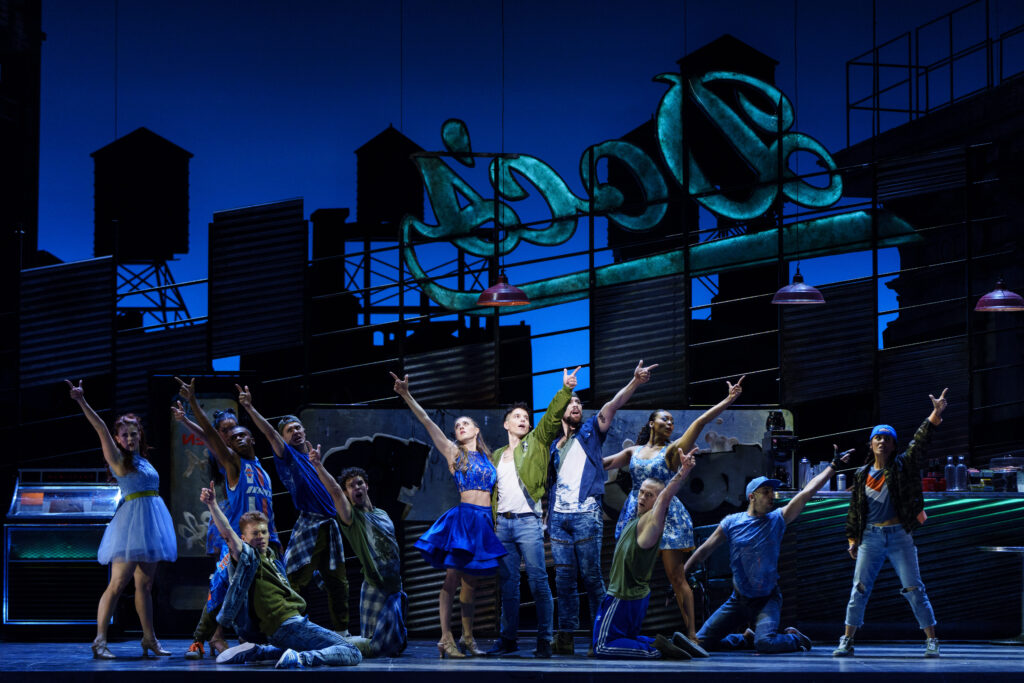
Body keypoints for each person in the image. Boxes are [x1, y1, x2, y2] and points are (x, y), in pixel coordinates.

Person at [603, 376, 744, 642]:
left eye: (671, 421)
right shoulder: (633, 452)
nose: (669, 423)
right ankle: (621, 631)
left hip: (666, 515)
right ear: (651, 423)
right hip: (635, 514)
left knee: (676, 577)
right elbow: (602, 463)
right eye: (664, 419)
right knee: (627, 577)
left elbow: (699, 423)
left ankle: (692, 636)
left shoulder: (672, 451)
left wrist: (729, 399)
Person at [390, 372, 507, 658]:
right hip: (464, 520)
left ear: (477, 430)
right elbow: (428, 423)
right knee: (452, 579)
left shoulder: (490, 459)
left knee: (472, 585)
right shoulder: (454, 453)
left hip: (483, 522)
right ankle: (446, 637)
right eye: (457, 426)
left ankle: (468, 638)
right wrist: (406, 395)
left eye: (466, 423)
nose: (461, 427)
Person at [683, 457, 848, 654]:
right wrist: (681, 576)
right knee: (698, 643)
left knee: (765, 644)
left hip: (767, 599)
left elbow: (806, 493)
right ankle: (744, 638)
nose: (772, 496)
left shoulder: (777, 519)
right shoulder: (731, 523)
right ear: (752, 496)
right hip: (738, 600)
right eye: (766, 492)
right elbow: (704, 551)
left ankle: (795, 639)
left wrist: (832, 467)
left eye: (772, 492)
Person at [549, 360, 658, 655]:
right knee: (564, 579)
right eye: (570, 403)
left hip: (586, 514)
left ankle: (602, 635)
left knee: (592, 576)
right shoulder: (553, 444)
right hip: (559, 518)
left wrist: (634, 382)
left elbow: (612, 405)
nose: (575, 406)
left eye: (578, 403)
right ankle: (566, 636)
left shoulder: (590, 432)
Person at [832, 389, 948, 659]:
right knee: (858, 589)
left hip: (899, 536)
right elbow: (854, 511)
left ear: (894, 445)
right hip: (870, 537)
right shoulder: (861, 475)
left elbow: (919, 443)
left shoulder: (902, 467)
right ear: (870, 444)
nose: (882, 442)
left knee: (914, 588)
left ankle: (932, 640)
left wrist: (935, 414)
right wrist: (852, 539)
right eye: (877, 438)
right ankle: (847, 640)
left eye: (887, 438)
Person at [66, 379, 176, 659]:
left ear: (140, 434)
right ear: (117, 439)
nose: (129, 438)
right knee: (118, 584)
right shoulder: (117, 458)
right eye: (125, 434)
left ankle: (149, 639)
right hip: (131, 525)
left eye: (133, 433)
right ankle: (100, 640)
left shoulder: (144, 459)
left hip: (151, 523)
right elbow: (101, 428)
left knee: (146, 585)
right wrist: (82, 401)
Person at [200, 481, 362, 669]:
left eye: (264, 532)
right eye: (255, 533)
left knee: (338, 647)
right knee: (351, 651)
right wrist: (212, 505)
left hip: (286, 627)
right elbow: (227, 533)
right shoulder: (248, 558)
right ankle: (300, 659)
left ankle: (260, 652)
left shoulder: (273, 559)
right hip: (286, 624)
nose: (261, 536)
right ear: (243, 538)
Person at [172, 380, 281, 659]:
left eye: (242, 434)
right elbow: (209, 435)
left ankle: (247, 635)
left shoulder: (264, 472)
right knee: (220, 586)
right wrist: (192, 406)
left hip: (264, 540)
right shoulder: (234, 464)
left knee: (261, 588)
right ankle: (202, 639)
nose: (237, 438)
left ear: (252, 438)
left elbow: (267, 512)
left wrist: (275, 538)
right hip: (234, 538)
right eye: (231, 437)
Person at [236, 385, 350, 635]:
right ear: (283, 438)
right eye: (289, 430)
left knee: (338, 583)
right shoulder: (287, 456)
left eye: (298, 427)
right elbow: (268, 432)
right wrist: (249, 407)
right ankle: (288, 627)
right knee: (294, 580)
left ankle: (342, 632)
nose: (295, 432)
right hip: (310, 524)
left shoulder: (313, 459)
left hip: (330, 527)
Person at [486, 367, 578, 658]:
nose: (523, 420)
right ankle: (508, 639)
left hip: (527, 523)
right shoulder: (498, 455)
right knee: (509, 586)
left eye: (526, 417)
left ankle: (544, 640)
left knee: (538, 581)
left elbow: (552, 416)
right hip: (503, 524)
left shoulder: (537, 441)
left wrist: (565, 390)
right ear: (505, 424)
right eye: (517, 417)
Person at [592, 450, 700, 659]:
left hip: (623, 596)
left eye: (649, 495)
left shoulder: (652, 521)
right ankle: (669, 643)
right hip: (633, 597)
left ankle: (655, 651)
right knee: (626, 637)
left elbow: (666, 497)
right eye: (641, 492)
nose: (641, 497)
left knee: (602, 646)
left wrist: (683, 471)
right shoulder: (637, 518)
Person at [310, 453, 408, 658]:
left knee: (395, 647)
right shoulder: (352, 517)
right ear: (347, 493)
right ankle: (323, 647)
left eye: (359, 483)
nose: (356, 488)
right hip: (375, 587)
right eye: (351, 486)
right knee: (372, 647)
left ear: (367, 486)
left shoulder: (382, 514)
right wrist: (318, 465)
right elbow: (335, 492)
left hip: (395, 589)